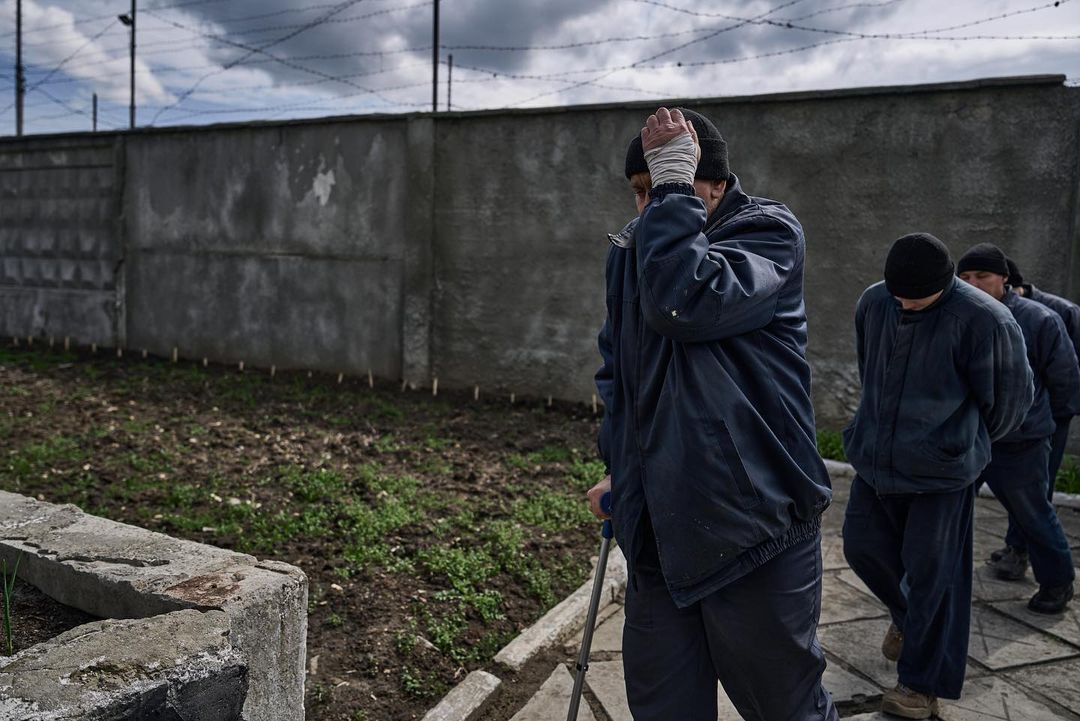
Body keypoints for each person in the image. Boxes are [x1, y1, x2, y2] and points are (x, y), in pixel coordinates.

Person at [586, 107, 837, 721]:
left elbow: (687, 303)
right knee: (662, 703)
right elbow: (621, 376)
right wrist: (621, 468)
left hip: (752, 526)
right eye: (642, 193)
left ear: (716, 185)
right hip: (660, 529)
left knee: (784, 706)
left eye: (666, 186)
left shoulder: (767, 236)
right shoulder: (637, 252)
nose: (649, 207)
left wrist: (673, 189)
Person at [843, 234, 1031, 719]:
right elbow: (871, 372)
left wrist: (957, 442)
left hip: (942, 474)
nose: (904, 304)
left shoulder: (986, 320)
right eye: (897, 295)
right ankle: (909, 621)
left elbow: (1009, 402)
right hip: (876, 460)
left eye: (915, 299)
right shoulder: (874, 301)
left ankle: (919, 687)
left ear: (944, 285)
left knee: (933, 578)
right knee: (861, 546)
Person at [957, 244, 1079, 611]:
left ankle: (1057, 583)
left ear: (1004, 279)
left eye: (982, 276)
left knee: (1033, 513)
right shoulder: (957, 315)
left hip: (1021, 441)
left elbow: (1065, 381)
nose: (973, 284)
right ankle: (937, 582)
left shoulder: (1039, 319)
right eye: (965, 278)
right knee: (947, 512)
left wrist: (1038, 423)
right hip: (969, 437)